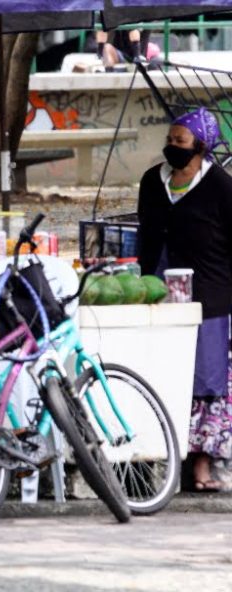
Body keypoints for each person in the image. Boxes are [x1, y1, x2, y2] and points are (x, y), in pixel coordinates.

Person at [136, 107, 232, 493]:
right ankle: (162, 460)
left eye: (181, 141)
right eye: (170, 140)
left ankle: (201, 465)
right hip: (159, 290)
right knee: (162, 373)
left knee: (205, 382)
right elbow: (145, 232)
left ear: (201, 146)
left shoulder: (221, 187)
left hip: (211, 296)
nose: (172, 147)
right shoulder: (152, 181)